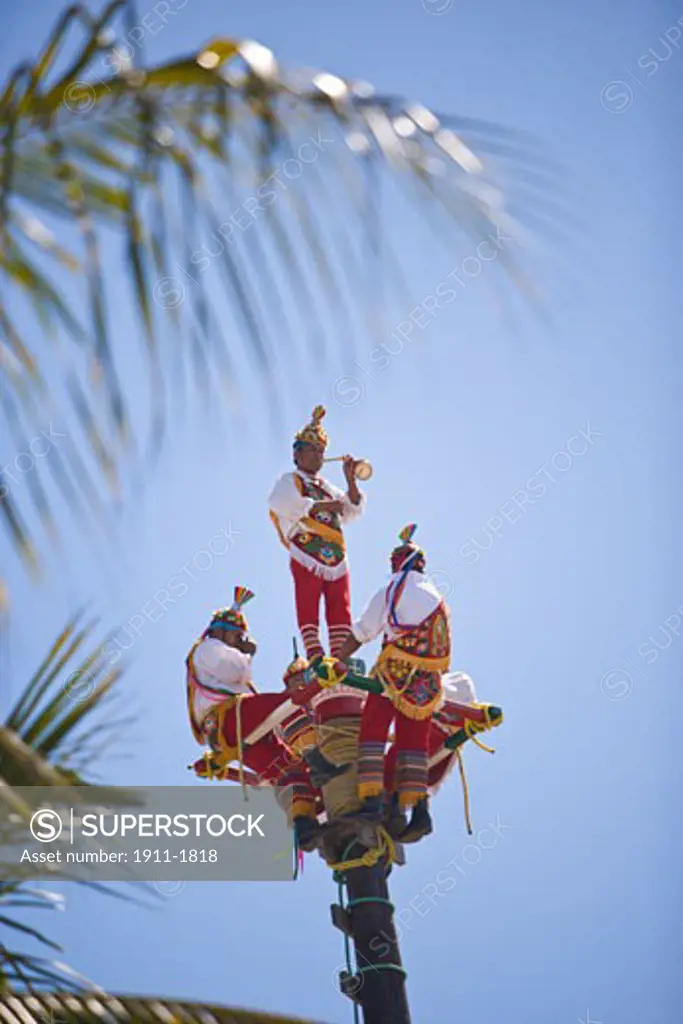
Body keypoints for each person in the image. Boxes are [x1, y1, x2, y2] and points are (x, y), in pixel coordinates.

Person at [337, 525, 451, 844]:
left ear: (396, 564)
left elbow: (363, 631)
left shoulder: (392, 588)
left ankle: (373, 802)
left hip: (394, 674)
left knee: (373, 729)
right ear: (421, 564)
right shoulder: (435, 593)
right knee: (413, 742)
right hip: (427, 684)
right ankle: (420, 811)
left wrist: (339, 659)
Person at [186, 587, 320, 847]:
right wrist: (247, 652)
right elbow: (236, 670)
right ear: (218, 631)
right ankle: (317, 694)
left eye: (240, 636)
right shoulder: (207, 648)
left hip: (234, 734)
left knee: (287, 772)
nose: (239, 640)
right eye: (235, 635)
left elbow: (238, 674)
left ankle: (304, 826)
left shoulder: (214, 649)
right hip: (231, 718)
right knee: (288, 700)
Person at [268, 404, 366, 667]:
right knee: (308, 601)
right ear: (297, 454)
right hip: (307, 550)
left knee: (340, 606)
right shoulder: (290, 480)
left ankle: (341, 657)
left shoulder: (326, 487)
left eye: (321, 451)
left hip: (336, 554)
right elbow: (280, 501)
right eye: (312, 450)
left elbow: (351, 509)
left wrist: (351, 480)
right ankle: (314, 656)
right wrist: (321, 506)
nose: (317, 455)